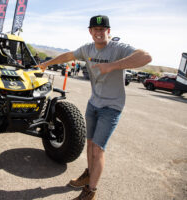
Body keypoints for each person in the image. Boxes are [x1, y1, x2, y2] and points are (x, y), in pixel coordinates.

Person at [36, 15, 151, 200]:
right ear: (90, 31)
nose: (99, 32)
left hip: (111, 107)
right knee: (89, 145)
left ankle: (91, 191)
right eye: (95, 29)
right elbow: (68, 55)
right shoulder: (87, 49)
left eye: (102, 29)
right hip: (93, 104)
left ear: (109, 31)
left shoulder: (118, 48)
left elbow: (146, 57)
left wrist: (113, 65)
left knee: (98, 149)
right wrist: (46, 64)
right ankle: (89, 174)